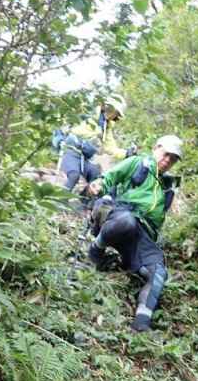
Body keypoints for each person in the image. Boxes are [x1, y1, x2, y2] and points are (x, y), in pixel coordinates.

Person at [87, 134, 183, 332]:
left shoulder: (167, 185)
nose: (167, 161)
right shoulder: (139, 163)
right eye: (166, 155)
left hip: (144, 235)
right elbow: (110, 177)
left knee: (158, 273)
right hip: (122, 217)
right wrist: (98, 184)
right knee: (127, 222)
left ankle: (141, 322)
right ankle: (96, 248)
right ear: (156, 148)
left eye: (172, 159)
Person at [56, 122, 101, 193]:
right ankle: (62, 199)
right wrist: (59, 141)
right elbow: (58, 132)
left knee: (95, 174)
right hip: (70, 152)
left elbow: (107, 147)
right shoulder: (76, 120)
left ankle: (85, 200)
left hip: (84, 157)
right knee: (74, 175)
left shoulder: (103, 127)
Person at [98, 95, 137, 160]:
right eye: (117, 114)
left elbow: (110, 148)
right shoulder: (91, 113)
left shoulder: (107, 125)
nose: (115, 117)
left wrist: (127, 153)